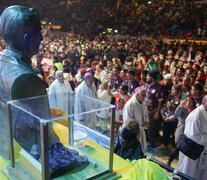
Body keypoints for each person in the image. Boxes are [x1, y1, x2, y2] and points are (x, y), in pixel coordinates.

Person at [0, 5, 58, 159]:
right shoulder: (25, 78)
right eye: (38, 33)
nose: (41, 39)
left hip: (5, 144)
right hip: (22, 154)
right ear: (27, 39)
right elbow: (46, 131)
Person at [178, 95, 207, 180]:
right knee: (190, 174)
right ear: (203, 102)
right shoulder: (196, 115)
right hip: (192, 151)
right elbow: (193, 137)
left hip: (203, 151)